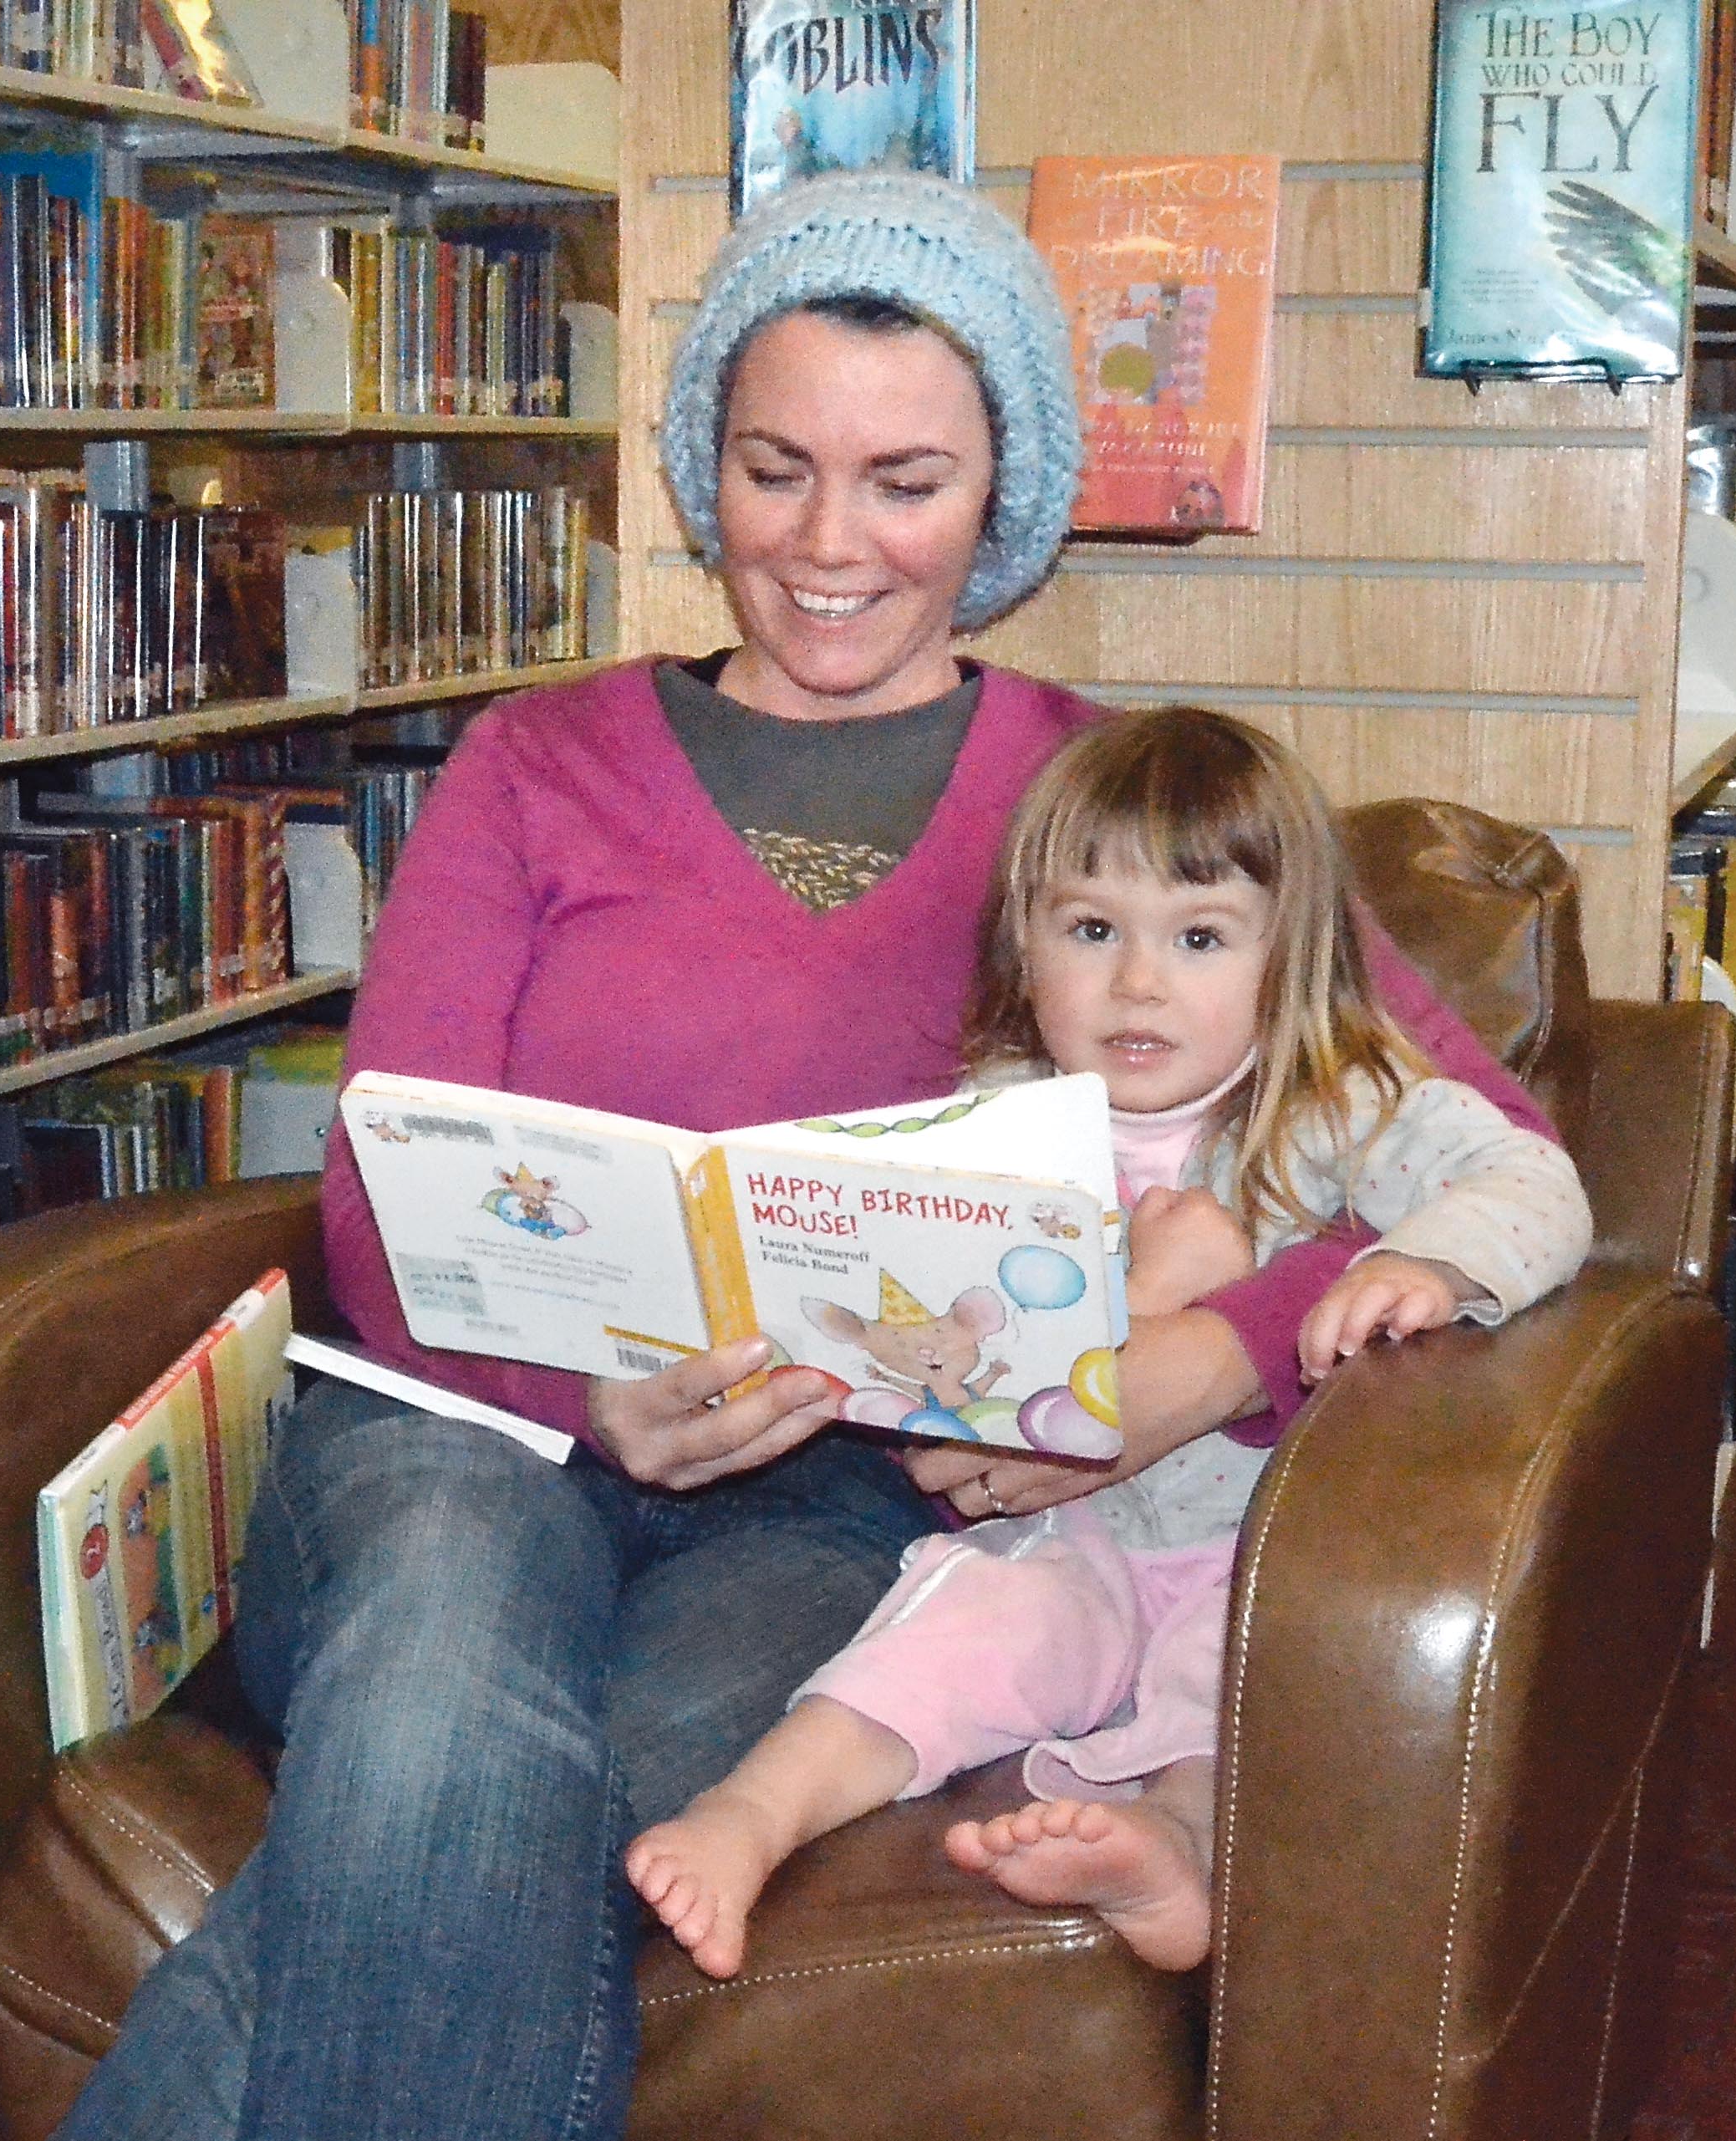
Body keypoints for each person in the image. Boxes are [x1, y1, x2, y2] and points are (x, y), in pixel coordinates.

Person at [55, 173, 1571, 2141]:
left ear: (1000, 494)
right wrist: (582, 1394)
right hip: (470, 1433)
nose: (829, 545)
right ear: (705, 468)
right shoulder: (538, 765)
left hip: (837, 1506)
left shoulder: (1119, 805)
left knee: (583, 1784)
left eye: (906, 482)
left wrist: (1212, 1357)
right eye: (775, 471)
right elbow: (380, 1190)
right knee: (440, 1710)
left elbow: (1480, 1141)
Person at [624, 708, 1594, 1981]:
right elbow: (946, 1350)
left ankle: (1172, 1846)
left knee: (1226, 1682)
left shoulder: (1337, 1100)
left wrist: (1418, 1261)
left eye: (1197, 939)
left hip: (1260, 1537)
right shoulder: (991, 1119)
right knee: (942, 1633)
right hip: (1058, 1538)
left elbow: (1536, 1182)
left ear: (1286, 956)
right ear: (1023, 951)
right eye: (1091, 932)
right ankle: (748, 1814)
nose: (1138, 982)